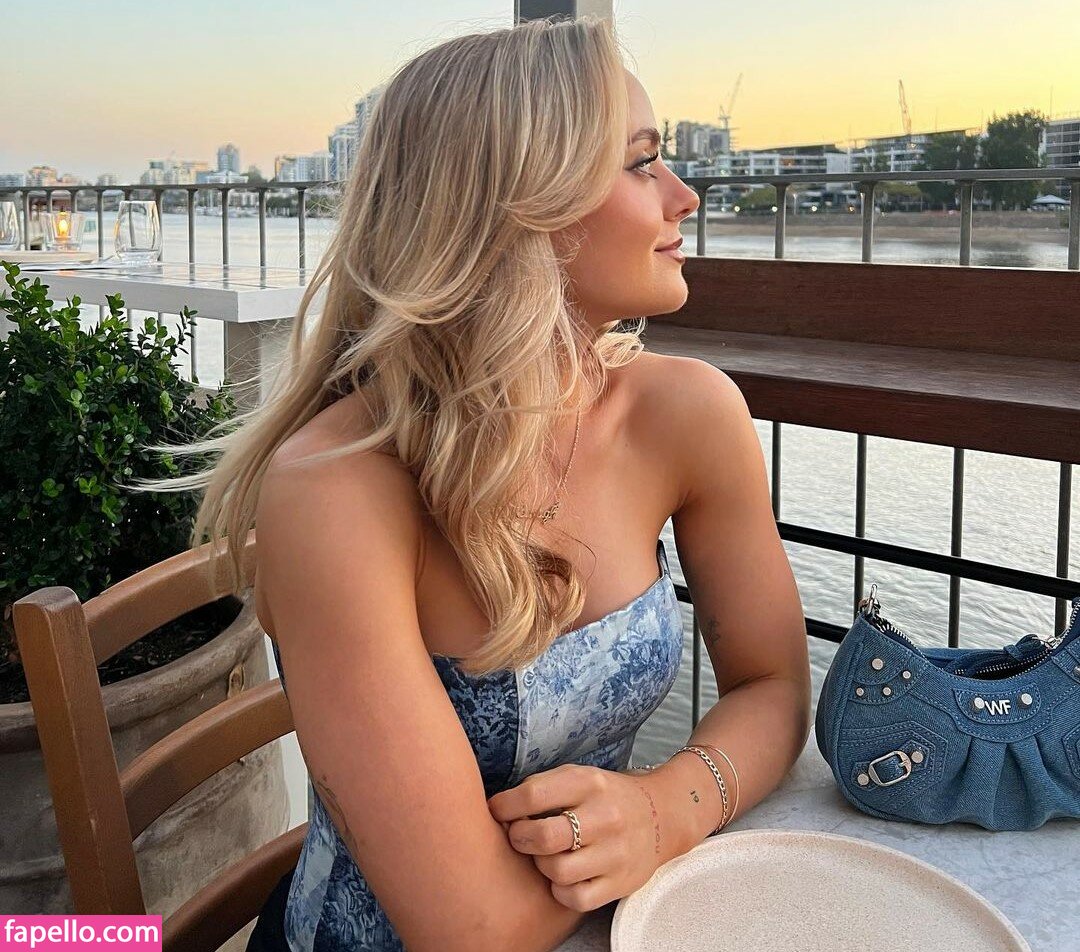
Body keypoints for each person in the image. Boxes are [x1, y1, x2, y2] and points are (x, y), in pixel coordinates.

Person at [132, 14, 812, 952]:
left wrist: (667, 807)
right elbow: (471, 927)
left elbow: (774, 686)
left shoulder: (687, 414)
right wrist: (660, 824)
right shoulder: (339, 491)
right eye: (641, 163)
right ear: (515, 208)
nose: (684, 196)